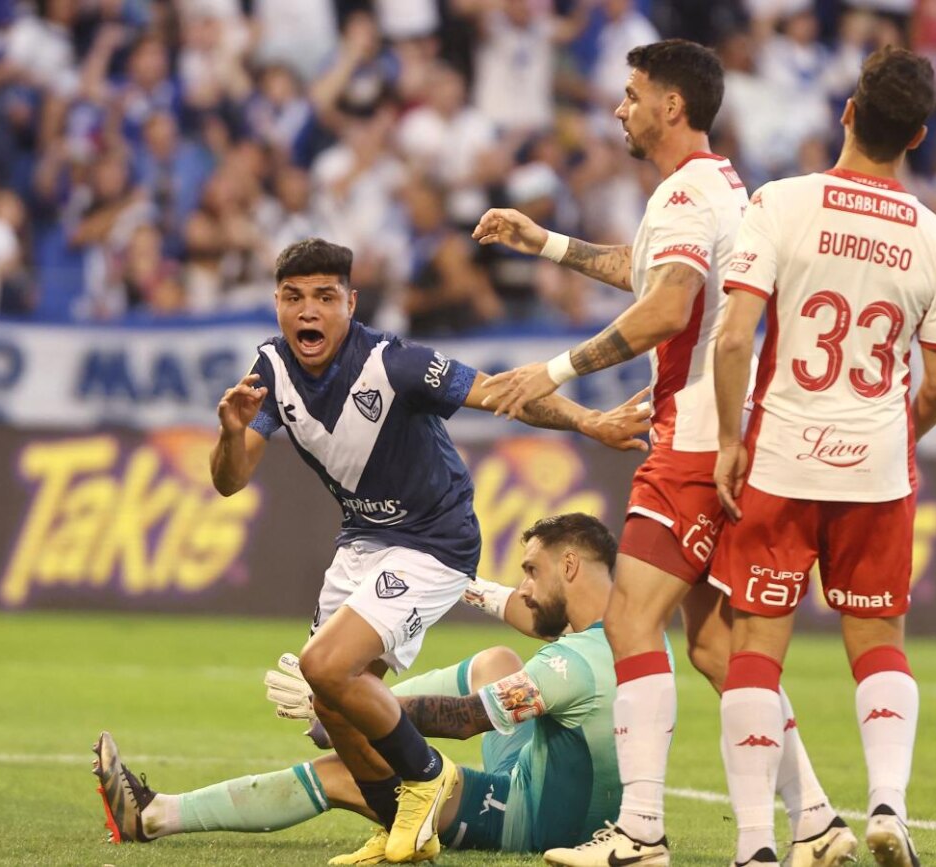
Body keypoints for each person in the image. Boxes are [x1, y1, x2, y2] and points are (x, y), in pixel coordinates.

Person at [472, 40, 851, 867]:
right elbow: (652, 275)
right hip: (743, 439)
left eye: (633, 93)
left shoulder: (684, 195)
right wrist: (549, 245)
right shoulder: (720, 188)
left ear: (671, 106)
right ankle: (816, 819)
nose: (621, 107)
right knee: (717, 649)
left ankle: (641, 830)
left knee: (626, 618)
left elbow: (668, 307)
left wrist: (557, 368)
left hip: (689, 439)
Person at [200, 238, 649, 863]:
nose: (309, 312)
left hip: (434, 540)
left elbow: (499, 393)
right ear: (276, 304)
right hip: (362, 539)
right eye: (294, 298)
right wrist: (230, 432)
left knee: (323, 667)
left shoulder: (394, 363)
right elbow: (229, 479)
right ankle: (401, 831)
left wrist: (587, 420)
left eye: (325, 297)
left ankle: (427, 775)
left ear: (350, 303)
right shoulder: (270, 374)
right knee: (330, 716)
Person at [710, 46, 936, 867]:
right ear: (918, 134)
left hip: (781, 456)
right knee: (878, 636)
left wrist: (728, 437)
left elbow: (737, 334)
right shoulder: (934, 236)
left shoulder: (782, 203)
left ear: (847, 112)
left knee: (755, 645)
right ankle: (887, 803)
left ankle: (754, 846)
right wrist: (896, 431)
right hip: (877, 467)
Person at [92, 514, 641, 861]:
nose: (523, 587)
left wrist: (351, 704)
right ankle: (346, 714)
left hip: (537, 820)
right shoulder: (627, 632)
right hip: (601, 808)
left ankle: (156, 815)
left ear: (569, 565)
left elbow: (463, 720)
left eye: (531, 572)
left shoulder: (570, 664)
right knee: (496, 659)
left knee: (347, 774)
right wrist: (458, 583)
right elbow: (532, 620)